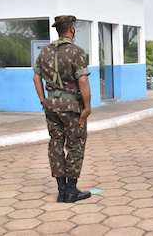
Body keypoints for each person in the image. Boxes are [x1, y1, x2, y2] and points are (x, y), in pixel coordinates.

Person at [33, 15, 92, 203]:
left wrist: (43, 100)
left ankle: (61, 191)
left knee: (56, 143)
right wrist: (88, 106)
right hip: (72, 107)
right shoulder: (77, 52)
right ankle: (71, 190)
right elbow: (82, 79)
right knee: (76, 143)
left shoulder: (45, 52)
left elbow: (36, 77)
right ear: (72, 29)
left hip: (51, 106)